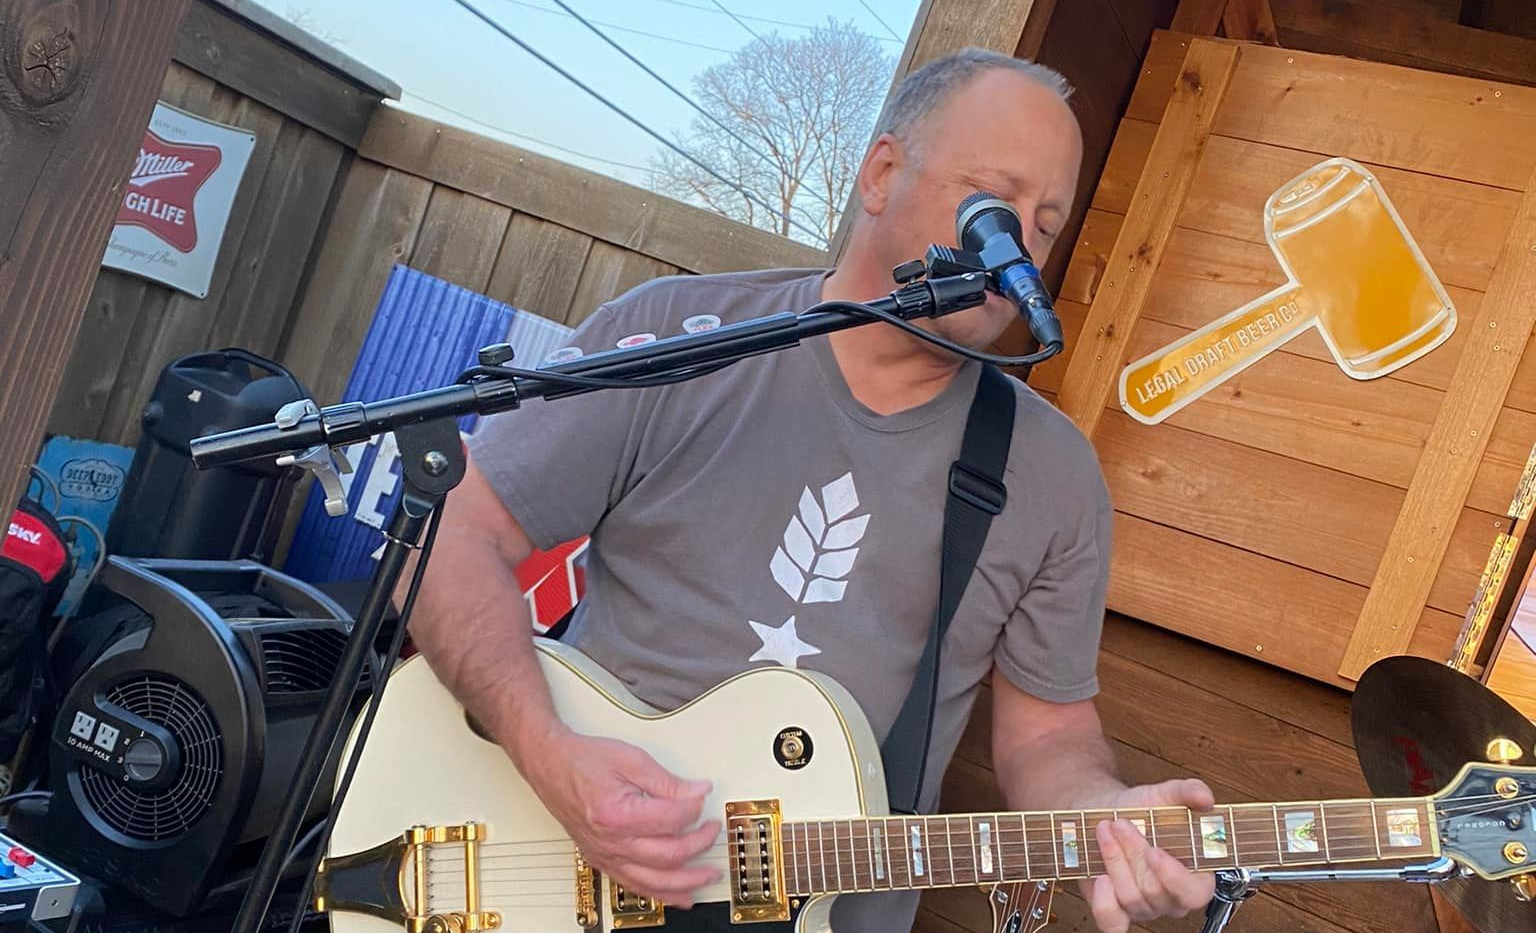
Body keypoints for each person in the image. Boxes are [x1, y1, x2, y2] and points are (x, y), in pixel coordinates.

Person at [404, 48, 1217, 933]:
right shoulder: (680, 337)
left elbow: (1049, 736)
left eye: (1045, 225)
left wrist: (1105, 814)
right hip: (548, 877)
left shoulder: (1053, 476)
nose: (1015, 246)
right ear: (882, 175)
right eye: (993, 202)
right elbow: (449, 534)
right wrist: (548, 753)